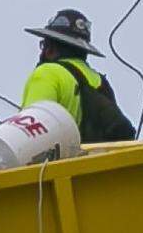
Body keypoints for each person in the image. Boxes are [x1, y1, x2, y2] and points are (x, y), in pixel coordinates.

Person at [20, 9, 135, 142]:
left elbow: (29, 134)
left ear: (49, 48)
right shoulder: (100, 81)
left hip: (59, 162)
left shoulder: (47, 73)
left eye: (43, 45)